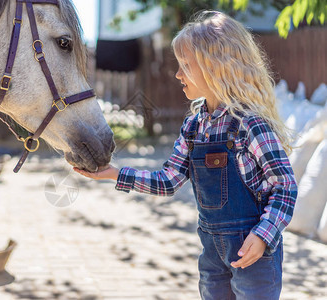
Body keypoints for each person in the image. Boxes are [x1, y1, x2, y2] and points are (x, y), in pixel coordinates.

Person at [74, 10, 298, 300]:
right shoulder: (194, 127)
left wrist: (263, 235)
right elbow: (168, 180)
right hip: (212, 257)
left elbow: (285, 187)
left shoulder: (249, 123)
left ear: (216, 67)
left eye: (186, 66)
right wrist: (115, 174)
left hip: (254, 256)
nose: (178, 74)